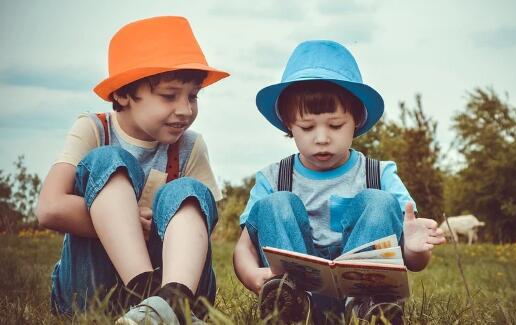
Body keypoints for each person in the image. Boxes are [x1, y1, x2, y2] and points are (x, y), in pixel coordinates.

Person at [233, 40, 446, 324]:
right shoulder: (273, 178)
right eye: (307, 127)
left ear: (356, 119)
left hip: (363, 294)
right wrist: (252, 275)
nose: (322, 138)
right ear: (288, 123)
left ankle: (367, 308)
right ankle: (290, 305)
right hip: (298, 294)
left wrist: (414, 250)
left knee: (379, 201)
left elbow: (414, 261)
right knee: (276, 204)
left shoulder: (378, 174)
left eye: (335, 125)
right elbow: (243, 247)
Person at [36, 16, 229, 325]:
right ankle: (147, 292)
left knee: (187, 192)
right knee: (107, 160)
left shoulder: (191, 146)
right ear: (123, 94)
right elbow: (49, 208)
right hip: (93, 289)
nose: (186, 109)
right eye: (169, 96)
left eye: (193, 96)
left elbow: (199, 226)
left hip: (176, 282)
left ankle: (173, 301)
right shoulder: (94, 129)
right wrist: (125, 221)